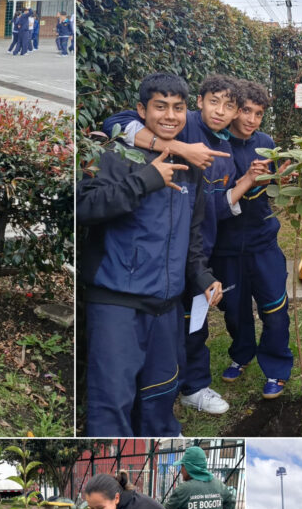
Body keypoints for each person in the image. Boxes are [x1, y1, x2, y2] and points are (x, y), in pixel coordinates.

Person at [77, 72, 222, 436]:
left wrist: (202, 276)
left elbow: (191, 236)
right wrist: (146, 179)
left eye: (178, 107)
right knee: (112, 401)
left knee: (160, 394)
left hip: (166, 307)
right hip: (116, 304)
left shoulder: (191, 169)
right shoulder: (113, 155)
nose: (170, 115)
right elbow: (84, 207)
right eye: (160, 107)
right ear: (142, 110)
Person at [102, 75, 241, 417]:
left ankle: (193, 387)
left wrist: (203, 271)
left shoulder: (234, 145)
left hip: (193, 252)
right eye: (214, 102)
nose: (220, 111)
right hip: (141, 267)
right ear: (200, 102)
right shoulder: (184, 126)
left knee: (193, 325)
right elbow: (115, 123)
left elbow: (211, 213)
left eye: (229, 106)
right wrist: (179, 147)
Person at [213, 80, 293, 398]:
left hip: (263, 244)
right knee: (235, 310)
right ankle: (242, 354)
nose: (251, 120)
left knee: (275, 308)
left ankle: (276, 368)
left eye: (258, 113)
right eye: (246, 111)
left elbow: (274, 188)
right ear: (234, 110)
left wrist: (282, 180)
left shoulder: (266, 143)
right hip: (226, 248)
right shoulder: (215, 144)